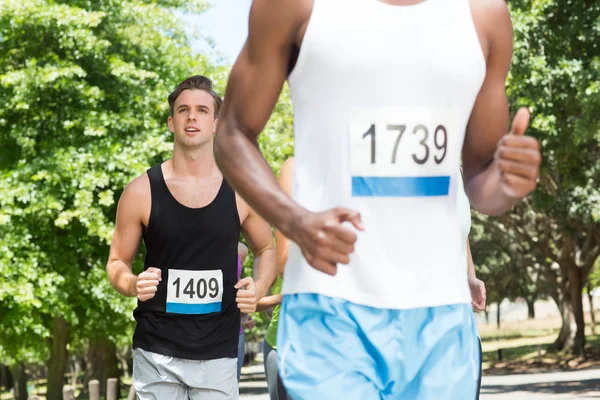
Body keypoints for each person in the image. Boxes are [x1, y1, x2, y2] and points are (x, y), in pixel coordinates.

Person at [214, 0, 541, 398]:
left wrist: (508, 182)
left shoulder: (484, 14)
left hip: (441, 312)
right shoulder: (295, 5)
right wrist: (295, 220)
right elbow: (231, 133)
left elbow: (479, 177)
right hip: (330, 303)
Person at [106, 75, 276, 400]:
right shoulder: (140, 191)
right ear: (171, 123)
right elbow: (116, 262)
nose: (192, 116)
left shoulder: (241, 190)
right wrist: (132, 284)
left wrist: (259, 286)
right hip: (156, 352)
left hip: (218, 351)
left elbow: (267, 248)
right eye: (183, 110)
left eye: (201, 109)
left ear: (216, 122)